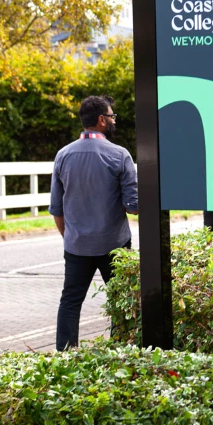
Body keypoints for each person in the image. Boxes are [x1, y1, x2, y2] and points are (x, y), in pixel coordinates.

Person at [50, 95, 138, 351]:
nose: (113, 121)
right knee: (122, 300)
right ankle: (121, 350)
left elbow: (57, 209)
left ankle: (65, 352)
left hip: (76, 244)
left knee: (70, 300)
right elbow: (133, 206)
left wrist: (70, 237)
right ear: (101, 120)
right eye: (111, 116)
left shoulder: (63, 155)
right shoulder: (119, 154)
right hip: (115, 243)